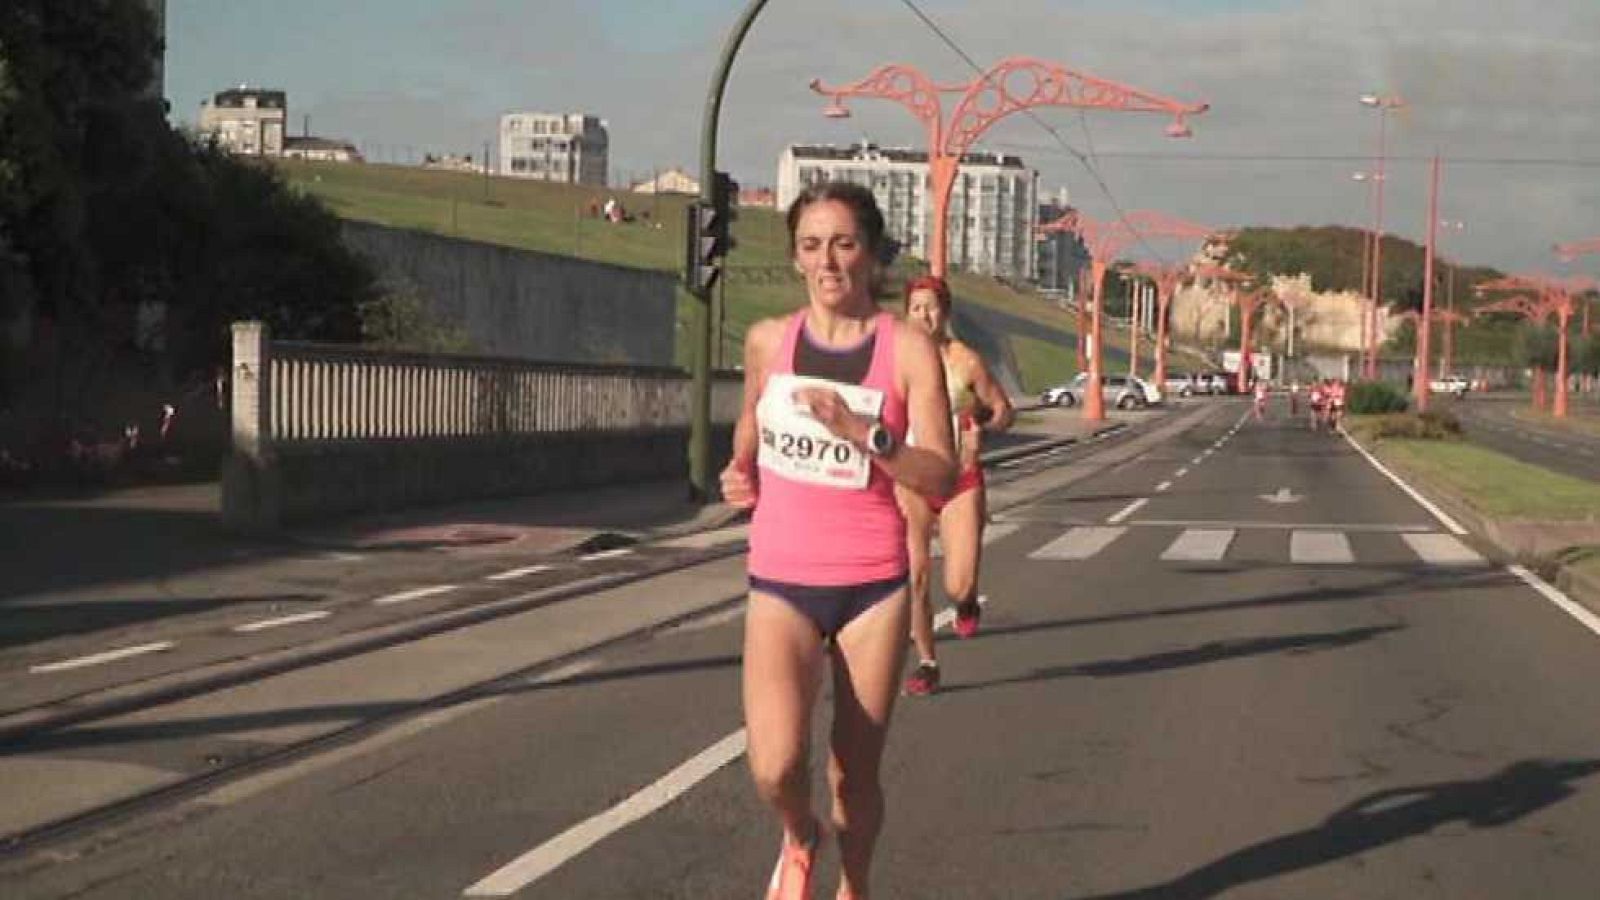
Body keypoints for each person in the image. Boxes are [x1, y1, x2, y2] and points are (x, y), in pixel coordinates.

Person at [720, 181, 956, 900]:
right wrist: (738, 471)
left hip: (872, 585)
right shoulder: (769, 341)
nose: (829, 261)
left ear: (872, 253)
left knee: (852, 775)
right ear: (796, 258)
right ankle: (800, 835)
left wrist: (869, 436)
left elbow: (940, 472)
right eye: (813, 245)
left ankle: (854, 884)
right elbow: (749, 433)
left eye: (845, 243)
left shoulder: (908, 349)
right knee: (774, 765)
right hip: (782, 578)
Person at [897, 275, 1014, 697]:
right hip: (911, 478)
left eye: (931, 307)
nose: (924, 315)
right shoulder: (893, 359)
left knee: (957, 584)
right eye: (916, 307)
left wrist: (983, 416)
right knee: (913, 577)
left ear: (944, 313)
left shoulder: (964, 361)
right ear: (905, 312)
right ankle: (928, 663)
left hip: (959, 477)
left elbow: (1004, 411)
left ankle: (967, 601)